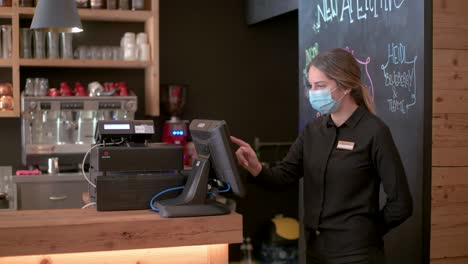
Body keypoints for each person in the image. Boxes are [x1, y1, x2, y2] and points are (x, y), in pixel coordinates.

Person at [230, 48, 413, 264]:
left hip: (357, 255)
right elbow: (284, 175)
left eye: (320, 86)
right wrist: (256, 167)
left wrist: (365, 233)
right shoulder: (313, 131)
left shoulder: (374, 131)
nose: (313, 92)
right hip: (316, 251)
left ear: (345, 86)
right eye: (310, 86)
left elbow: (401, 204)